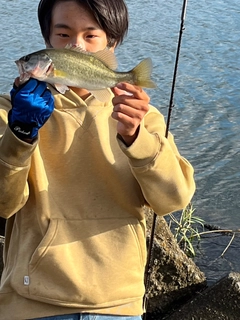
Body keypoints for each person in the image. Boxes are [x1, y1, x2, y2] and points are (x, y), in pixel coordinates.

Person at [0, 0, 196, 319]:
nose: (77, 45)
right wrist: (19, 133)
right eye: (63, 35)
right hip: (31, 302)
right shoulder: (10, 112)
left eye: (91, 36)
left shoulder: (141, 118)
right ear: (47, 39)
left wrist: (137, 138)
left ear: (111, 42)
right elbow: (2, 205)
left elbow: (173, 199)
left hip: (119, 304)